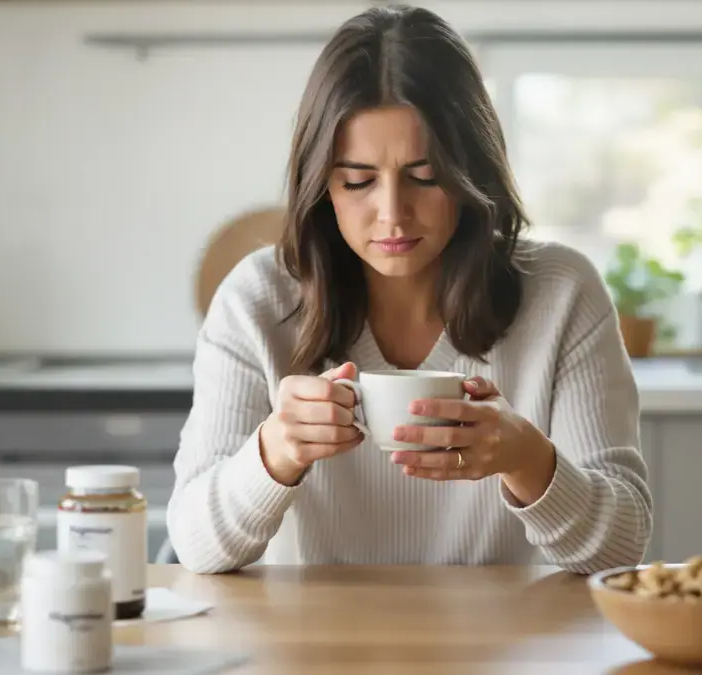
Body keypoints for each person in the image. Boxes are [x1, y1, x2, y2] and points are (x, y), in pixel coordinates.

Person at [166, 3, 651, 574]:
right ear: (321, 184)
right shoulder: (255, 299)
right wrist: (275, 452)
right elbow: (195, 547)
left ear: (473, 171)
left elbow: (624, 547)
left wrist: (526, 459)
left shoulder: (562, 293)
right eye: (358, 181)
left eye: (425, 177)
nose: (392, 214)